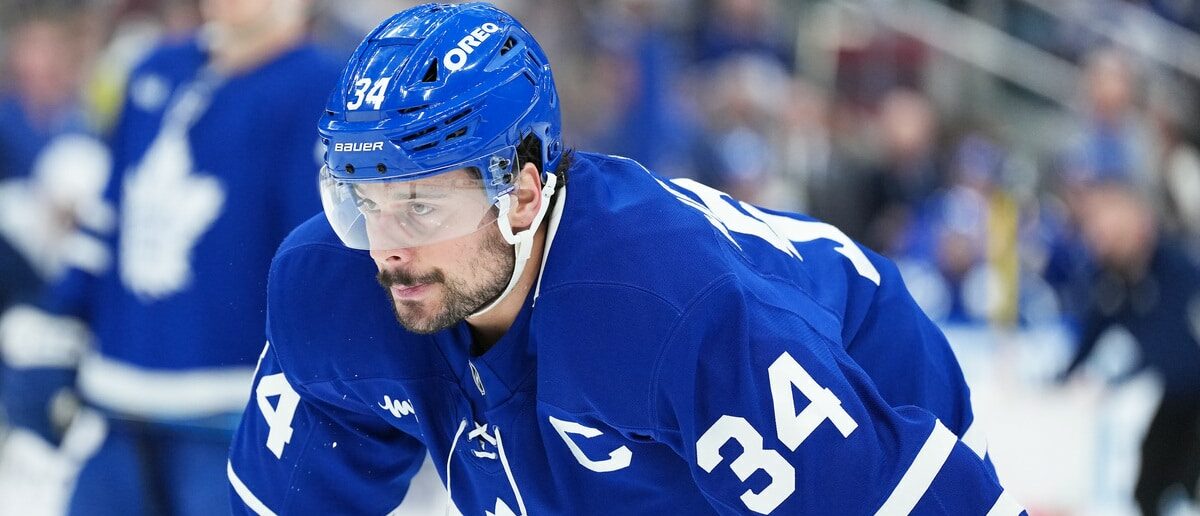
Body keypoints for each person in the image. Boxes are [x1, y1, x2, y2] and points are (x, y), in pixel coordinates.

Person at [228, 3, 1022, 514]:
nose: (388, 246)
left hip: (854, 369)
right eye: (362, 202)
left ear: (523, 195)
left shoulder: (669, 304)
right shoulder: (330, 286)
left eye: (423, 204)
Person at [0, 0, 341, 514]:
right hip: (116, 401)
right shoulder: (156, 69)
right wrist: (59, 316)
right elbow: (108, 218)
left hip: (235, 415)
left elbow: (319, 257)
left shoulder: (322, 87)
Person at [1057, 181, 1200, 516]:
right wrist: (1064, 377)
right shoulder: (1112, 278)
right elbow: (1094, 332)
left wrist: (1118, 377)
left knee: (1178, 487)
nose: (1099, 237)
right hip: (1171, 398)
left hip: (1190, 395)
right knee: (1148, 492)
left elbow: (1172, 350)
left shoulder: (1176, 270)